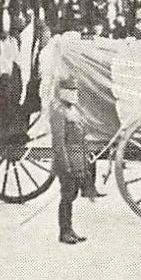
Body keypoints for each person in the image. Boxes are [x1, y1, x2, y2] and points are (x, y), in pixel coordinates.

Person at [49, 81, 93, 245]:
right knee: (67, 196)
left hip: (77, 159)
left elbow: (81, 137)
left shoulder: (73, 110)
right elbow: (59, 142)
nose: (74, 94)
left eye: (75, 91)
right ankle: (64, 231)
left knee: (72, 195)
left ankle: (70, 229)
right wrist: (65, 165)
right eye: (70, 91)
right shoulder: (59, 111)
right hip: (66, 160)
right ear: (62, 92)